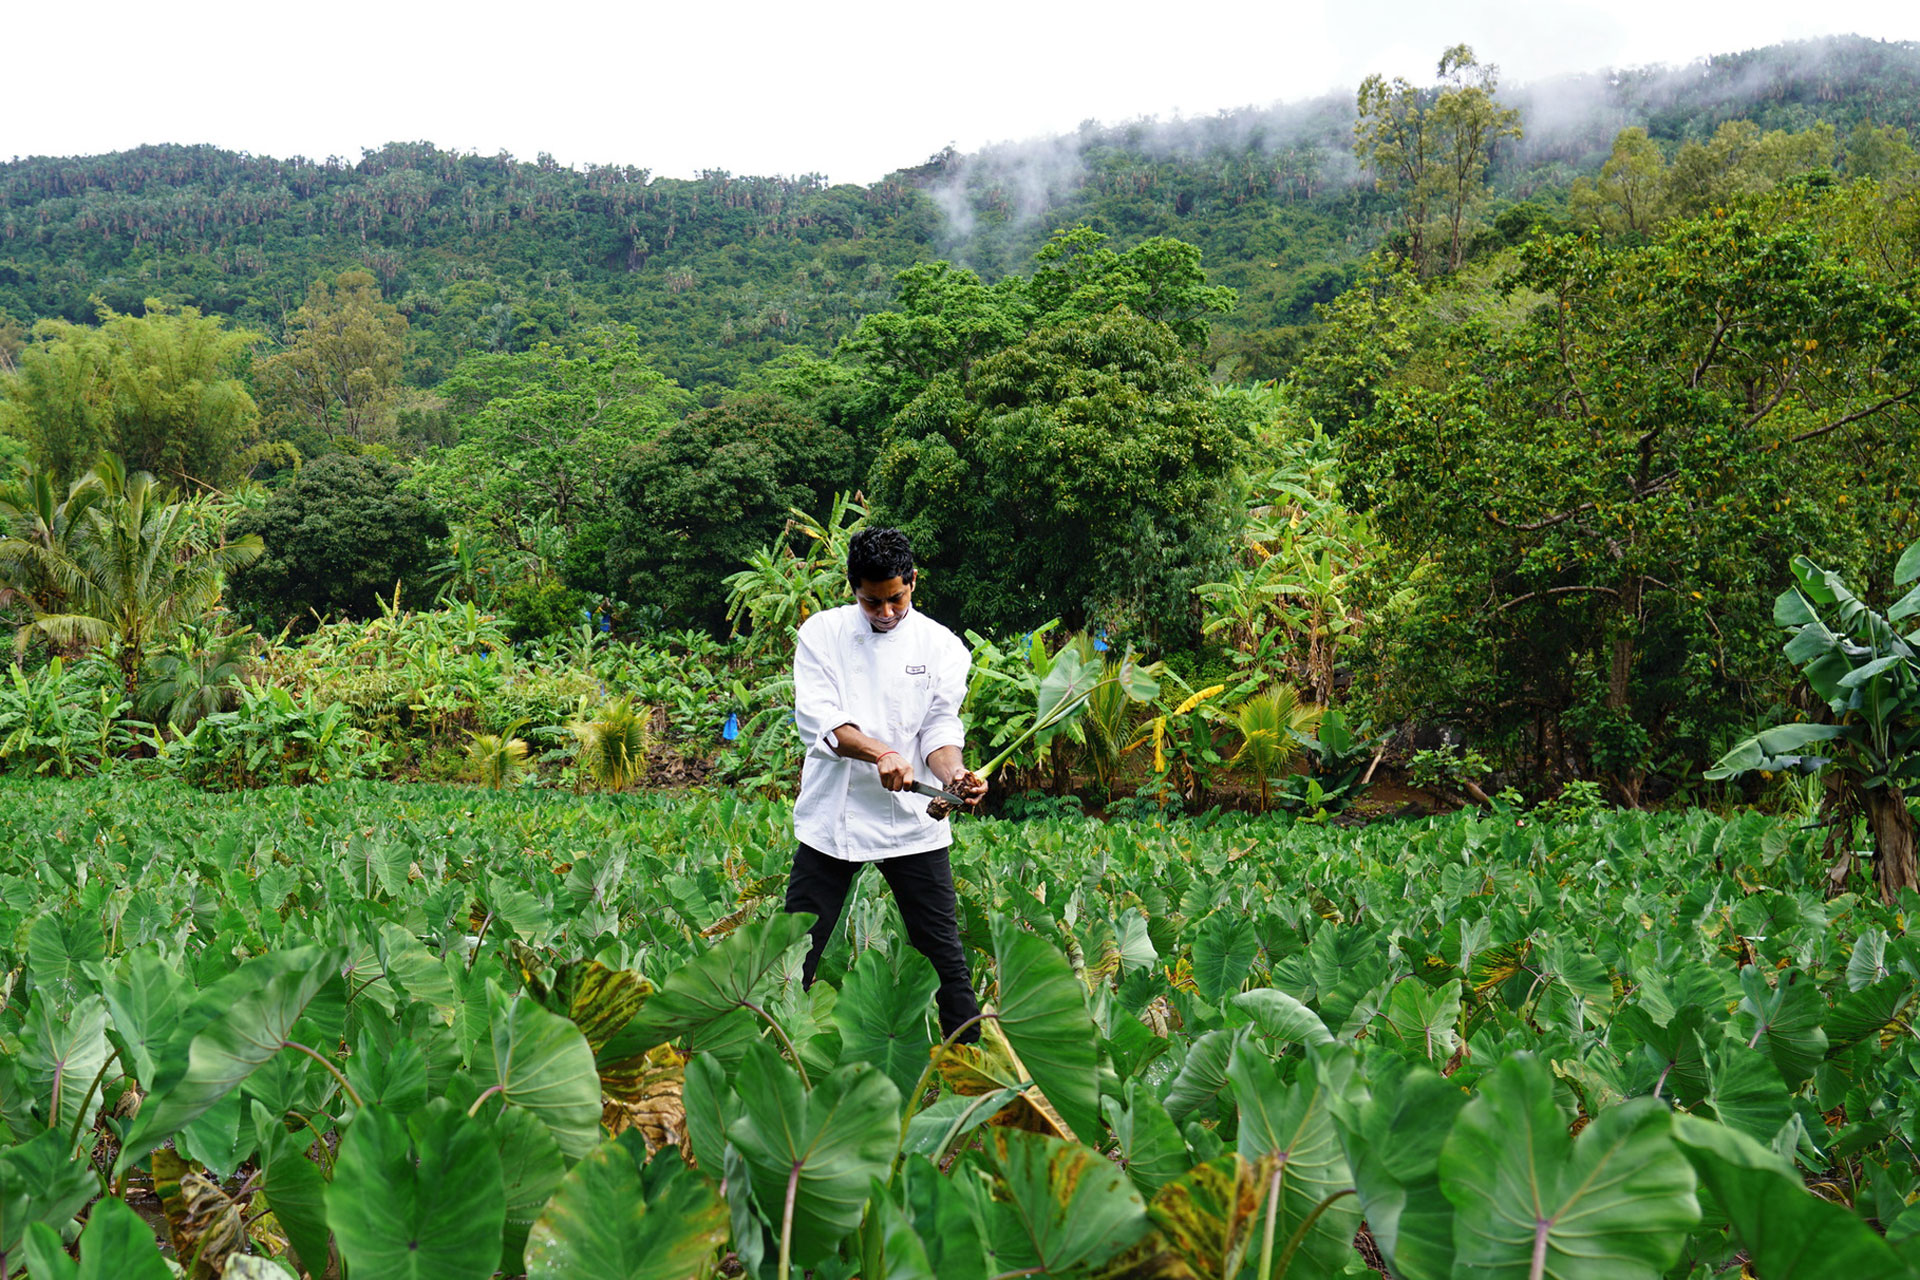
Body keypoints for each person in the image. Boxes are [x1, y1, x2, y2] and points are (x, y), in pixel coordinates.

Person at [785, 527, 988, 1042]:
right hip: (835, 818)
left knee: (945, 957)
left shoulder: (942, 646)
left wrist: (954, 776)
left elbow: (939, 731)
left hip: (912, 822)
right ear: (853, 588)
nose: (886, 612)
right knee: (792, 951)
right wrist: (882, 752)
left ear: (913, 583)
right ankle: (773, 1051)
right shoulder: (821, 635)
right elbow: (823, 721)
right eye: (871, 601)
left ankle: (970, 1069)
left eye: (895, 598)